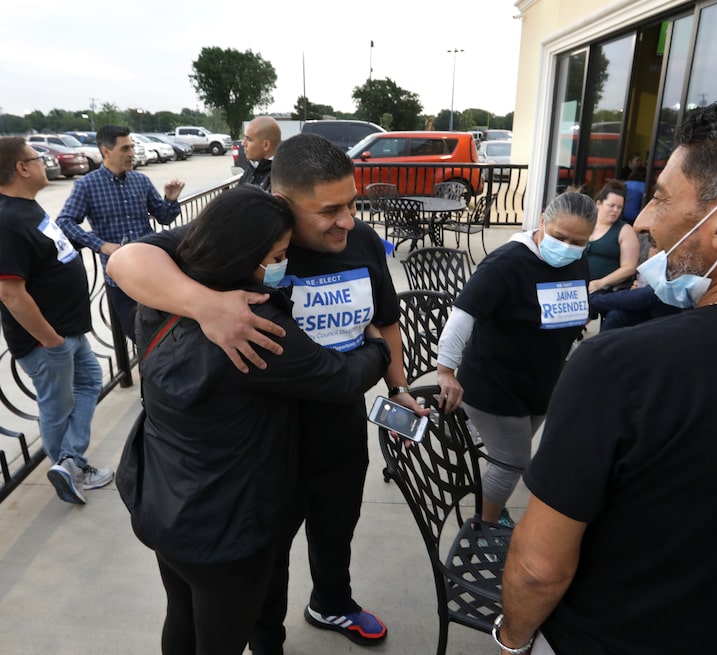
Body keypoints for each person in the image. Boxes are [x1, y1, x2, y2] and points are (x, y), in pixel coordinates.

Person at [495, 90, 717, 655]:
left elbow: (537, 567)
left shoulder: (619, 369)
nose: (644, 219)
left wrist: (513, 640)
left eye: (660, 198)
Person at [107, 133, 421, 653]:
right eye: (330, 209)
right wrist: (204, 305)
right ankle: (265, 638)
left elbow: (384, 323)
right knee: (265, 558)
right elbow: (125, 264)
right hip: (268, 448)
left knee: (336, 527)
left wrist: (400, 387)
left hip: (339, 431)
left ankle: (333, 602)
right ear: (282, 204)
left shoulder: (360, 242)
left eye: (353, 203)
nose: (348, 220)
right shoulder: (248, 238)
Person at [436, 191, 595, 526]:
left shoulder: (577, 260)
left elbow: (573, 307)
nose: (566, 246)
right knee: (513, 460)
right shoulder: (505, 264)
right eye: (559, 236)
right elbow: (462, 317)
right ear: (541, 222)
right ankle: (485, 525)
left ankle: (494, 505)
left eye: (577, 241)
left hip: (541, 382)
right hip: (494, 384)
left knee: (507, 456)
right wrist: (446, 370)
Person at [0, 137, 112, 505]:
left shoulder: (27, 209)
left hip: (67, 332)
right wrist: (50, 341)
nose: (44, 163)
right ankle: (69, 466)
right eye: (37, 158)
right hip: (47, 341)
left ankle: (69, 462)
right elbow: (10, 294)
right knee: (56, 406)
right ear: (21, 168)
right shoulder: (6, 221)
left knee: (89, 383)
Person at [56, 125, 185, 342]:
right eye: (125, 148)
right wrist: (100, 244)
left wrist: (170, 199)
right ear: (106, 151)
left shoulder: (140, 180)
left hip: (153, 268)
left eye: (132, 147)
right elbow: (64, 221)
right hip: (121, 277)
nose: (132, 153)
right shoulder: (87, 185)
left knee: (170, 331)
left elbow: (163, 217)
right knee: (139, 336)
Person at [585, 179, 640, 295]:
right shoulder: (586, 224)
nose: (615, 210)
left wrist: (601, 282)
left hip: (605, 290)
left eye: (619, 207)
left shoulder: (625, 230)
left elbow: (629, 267)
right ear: (598, 204)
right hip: (577, 285)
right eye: (611, 206)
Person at [238, 116, 282, 192]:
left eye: (249, 139)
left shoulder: (282, 178)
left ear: (266, 145)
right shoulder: (252, 169)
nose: (243, 143)